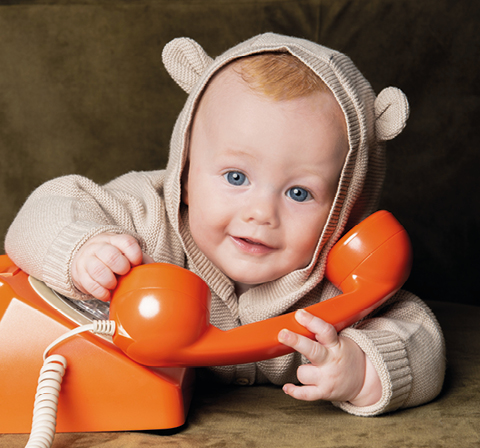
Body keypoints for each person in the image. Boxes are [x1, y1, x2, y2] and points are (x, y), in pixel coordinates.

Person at [4, 33, 445, 416]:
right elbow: (46, 209)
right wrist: (83, 247)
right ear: (188, 170)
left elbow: (421, 340)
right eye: (236, 178)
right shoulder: (146, 216)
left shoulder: (336, 286)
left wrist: (360, 368)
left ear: (346, 207)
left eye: (299, 193)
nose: (261, 214)